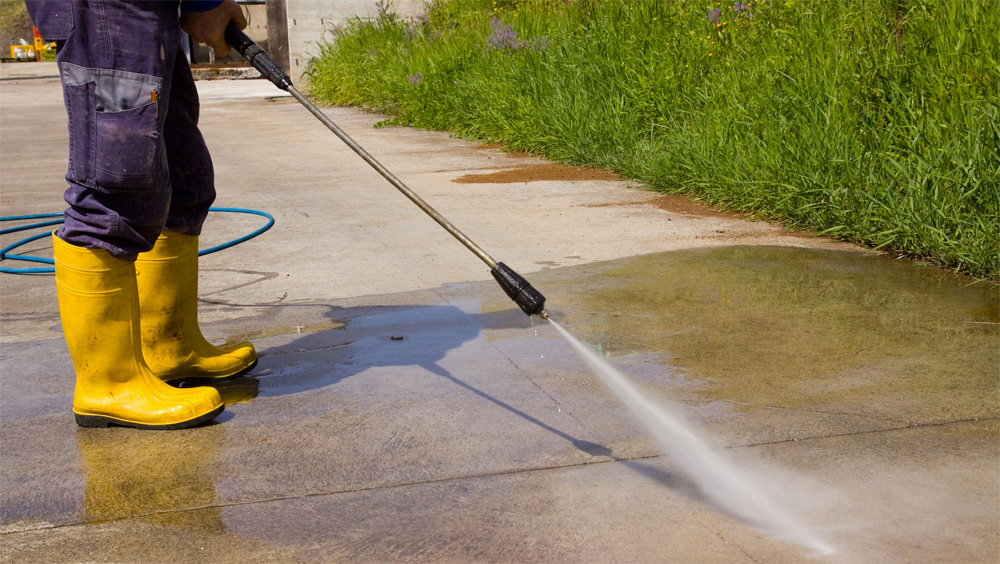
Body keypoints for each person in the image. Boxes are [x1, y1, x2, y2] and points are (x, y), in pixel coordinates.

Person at [26, 0, 257, 430]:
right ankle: (109, 383)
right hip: (105, 9)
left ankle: (167, 346)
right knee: (117, 184)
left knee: (184, 175)